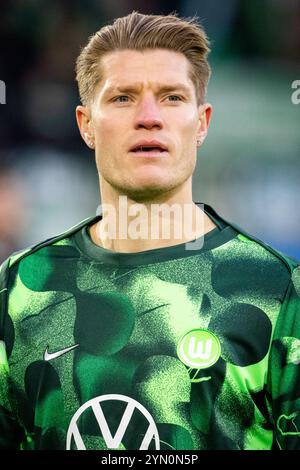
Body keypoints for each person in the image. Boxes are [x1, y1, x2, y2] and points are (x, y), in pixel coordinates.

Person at [0, 11, 299, 451]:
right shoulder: (15, 292)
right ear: (85, 124)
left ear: (202, 123)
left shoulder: (280, 293)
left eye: (172, 97)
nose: (148, 117)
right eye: (122, 98)